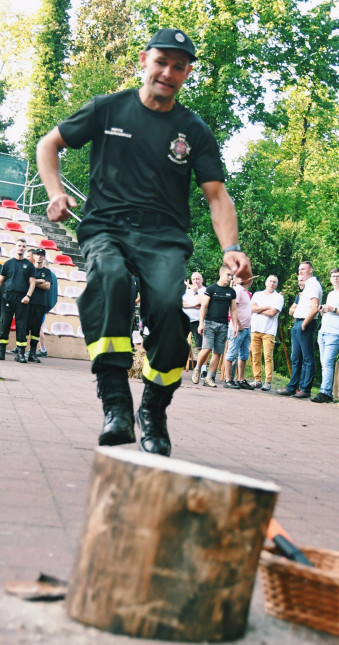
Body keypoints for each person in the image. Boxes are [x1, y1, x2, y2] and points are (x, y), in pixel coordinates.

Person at [36, 28, 251, 455]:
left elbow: (217, 195)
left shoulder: (193, 130)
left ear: (187, 73)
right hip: (107, 227)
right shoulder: (108, 108)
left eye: (179, 66)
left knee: (171, 322)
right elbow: (49, 144)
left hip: (163, 239)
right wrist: (54, 192)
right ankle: (115, 399)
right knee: (110, 279)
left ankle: (153, 409)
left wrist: (231, 249)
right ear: (143, 60)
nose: (168, 72)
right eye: (161, 62)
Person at [277, 261, 322, 398]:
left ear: (311, 271)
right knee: (295, 357)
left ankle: (305, 389)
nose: (300, 271)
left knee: (307, 358)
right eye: (299, 269)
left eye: (303, 269)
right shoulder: (306, 287)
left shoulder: (314, 285)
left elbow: (315, 308)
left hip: (305, 323)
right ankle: (292, 386)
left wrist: (304, 324)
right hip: (297, 322)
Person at [312, 268, 339, 404]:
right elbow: (329, 311)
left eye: (338, 276)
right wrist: (324, 310)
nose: (335, 278)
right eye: (333, 276)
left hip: (335, 333)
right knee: (324, 363)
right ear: (330, 279)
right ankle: (326, 391)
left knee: (327, 363)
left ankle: (325, 392)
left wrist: (334, 309)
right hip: (324, 331)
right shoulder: (330, 294)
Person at [193, 266, 239, 388]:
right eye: (228, 275)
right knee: (207, 348)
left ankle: (209, 377)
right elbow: (203, 306)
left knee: (218, 352)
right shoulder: (211, 289)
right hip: (209, 323)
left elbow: (233, 310)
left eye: (231, 276)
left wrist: (235, 326)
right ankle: (197, 368)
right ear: (221, 274)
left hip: (224, 325)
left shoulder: (231, 292)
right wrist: (201, 323)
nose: (230, 278)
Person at [0, 238, 35, 362]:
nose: (21, 248)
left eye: (23, 246)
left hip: (22, 298)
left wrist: (28, 296)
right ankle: (1, 352)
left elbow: (32, 283)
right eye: (19, 246)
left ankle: (20, 354)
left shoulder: (29, 265)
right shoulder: (8, 263)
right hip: (8, 297)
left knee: (22, 326)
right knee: (4, 323)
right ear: (15, 247)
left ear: (25, 248)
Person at [249, 274, 284, 391]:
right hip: (255, 329)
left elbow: (272, 313)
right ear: (266, 282)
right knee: (255, 356)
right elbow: (251, 309)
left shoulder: (278, 297)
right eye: (270, 281)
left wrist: (259, 310)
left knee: (268, 356)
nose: (272, 284)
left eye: (274, 282)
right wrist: (265, 307)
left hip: (269, 331)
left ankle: (268, 381)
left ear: (277, 284)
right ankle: (257, 380)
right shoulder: (257, 294)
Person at [223, 277, 253, 389]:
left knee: (244, 354)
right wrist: (238, 324)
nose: (251, 281)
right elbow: (232, 308)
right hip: (238, 327)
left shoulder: (245, 292)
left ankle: (241, 378)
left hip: (246, 327)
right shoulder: (238, 290)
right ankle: (228, 379)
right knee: (232, 353)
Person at [26, 248, 53, 362]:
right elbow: (25, 281)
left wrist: (33, 282)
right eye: (37, 255)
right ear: (34, 256)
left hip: (40, 304)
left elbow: (47, 286)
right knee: (25, 328)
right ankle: (21, 352)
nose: (39, 257)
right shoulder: (29, 269)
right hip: (28, 302)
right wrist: (39, 281)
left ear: (44, 257)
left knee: (36, 330)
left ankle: (32, 353)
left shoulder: (47, 272)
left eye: (42, 255)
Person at [183, 272, 205, 373]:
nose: (195, 281)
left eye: (197, 279)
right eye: (194, 279)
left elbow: (202, 304)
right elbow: (181, 303)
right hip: (185, 320)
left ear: (202, 280)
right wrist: (193, 305)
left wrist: (196, 293)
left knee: (200, 346)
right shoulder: (187, 291)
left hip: (198, 322)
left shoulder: (205, 290)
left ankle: (202, 369)